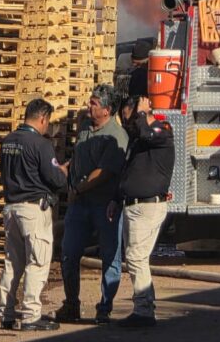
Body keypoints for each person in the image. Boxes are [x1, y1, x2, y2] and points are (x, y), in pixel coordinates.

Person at [56, 84, 129, 324]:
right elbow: (78, 157)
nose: (89, 106)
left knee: (111, 256)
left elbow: (104, 172)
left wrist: (78, 188)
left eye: (94, 104)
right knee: (68, 253)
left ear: (107, 110)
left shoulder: (117, 136)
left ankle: (104, 308)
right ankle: (71, 304)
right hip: (79, 205)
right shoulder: (86, 127)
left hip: (104, 205)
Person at [0, 98, 68, 331]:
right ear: (42, 118)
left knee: (12, 263)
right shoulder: (40, 144)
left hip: (11, 208)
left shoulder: (8, 141)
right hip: (33, 209)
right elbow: (55, 180)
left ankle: (6, 313)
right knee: (37, 262)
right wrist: (63, 171)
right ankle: (30, 315)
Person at [109, 96, 175, 327]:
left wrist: (140, 113)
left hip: (147, 206)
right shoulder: (138, 140)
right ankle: (146, 305)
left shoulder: (161, 131)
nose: (129, 125)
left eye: (130, 119)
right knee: (139, 258)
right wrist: (117, 199)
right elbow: (128, 171)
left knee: (136, 257)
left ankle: (143, 311)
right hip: (134, 205)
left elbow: (146, 133)